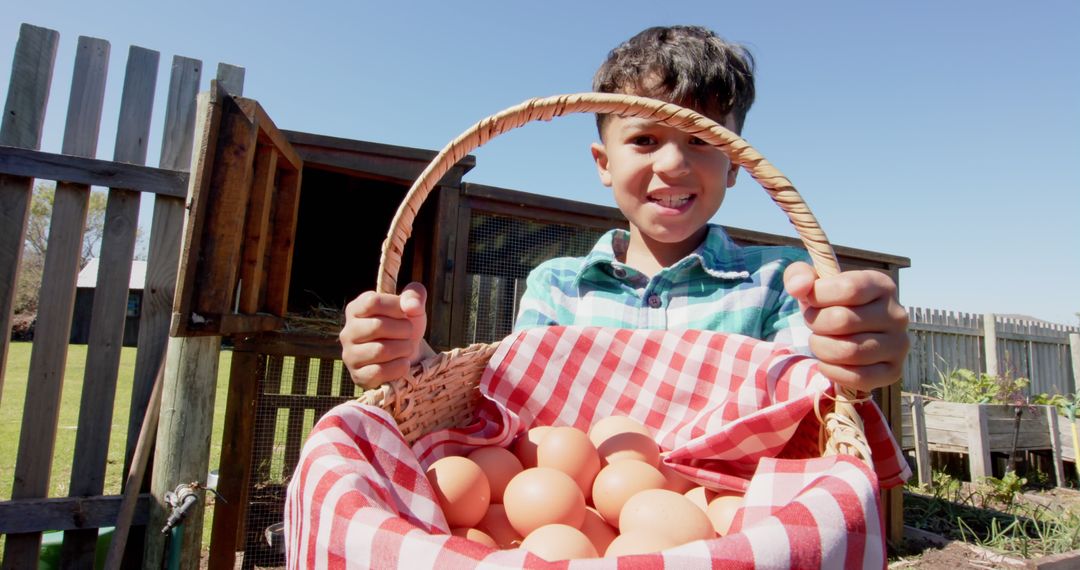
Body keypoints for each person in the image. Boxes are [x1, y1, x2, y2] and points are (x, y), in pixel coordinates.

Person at [339, 25, 909, 395]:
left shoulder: (778, 283)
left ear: (738, 165)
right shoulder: (557, 287)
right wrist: (410, 359)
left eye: (703, 140)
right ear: (602, 162)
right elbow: (511, 404)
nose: (674, 165)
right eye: (643, 140)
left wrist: (849, 349)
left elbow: (816, 388)